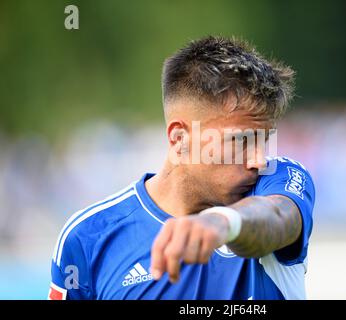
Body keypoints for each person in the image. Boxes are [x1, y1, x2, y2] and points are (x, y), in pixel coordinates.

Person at [48, 36, 316, 300]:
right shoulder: (87, 238)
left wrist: (222, 222)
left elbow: (277, 216)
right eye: (242, 140)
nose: (258, 160)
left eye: (264, 140)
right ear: (179, 139)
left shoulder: (276, 182)